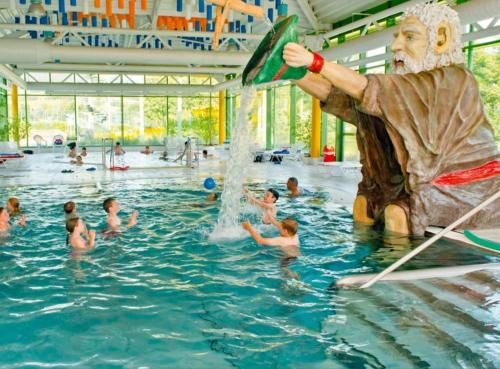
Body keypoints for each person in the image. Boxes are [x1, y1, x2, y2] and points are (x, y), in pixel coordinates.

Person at [283, 3, 499, 235]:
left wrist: (315, 62)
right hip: (406, 182)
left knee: (397, 214)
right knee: (364, 204)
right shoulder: (404, 90)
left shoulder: (455, 80)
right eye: (396, 37)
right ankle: (366, 264)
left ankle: (402, 267)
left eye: (409, 37)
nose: (395, 45)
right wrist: (292, 73)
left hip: (467, 185)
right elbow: (345, 99)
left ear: (441, 39)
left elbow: (374, 90)